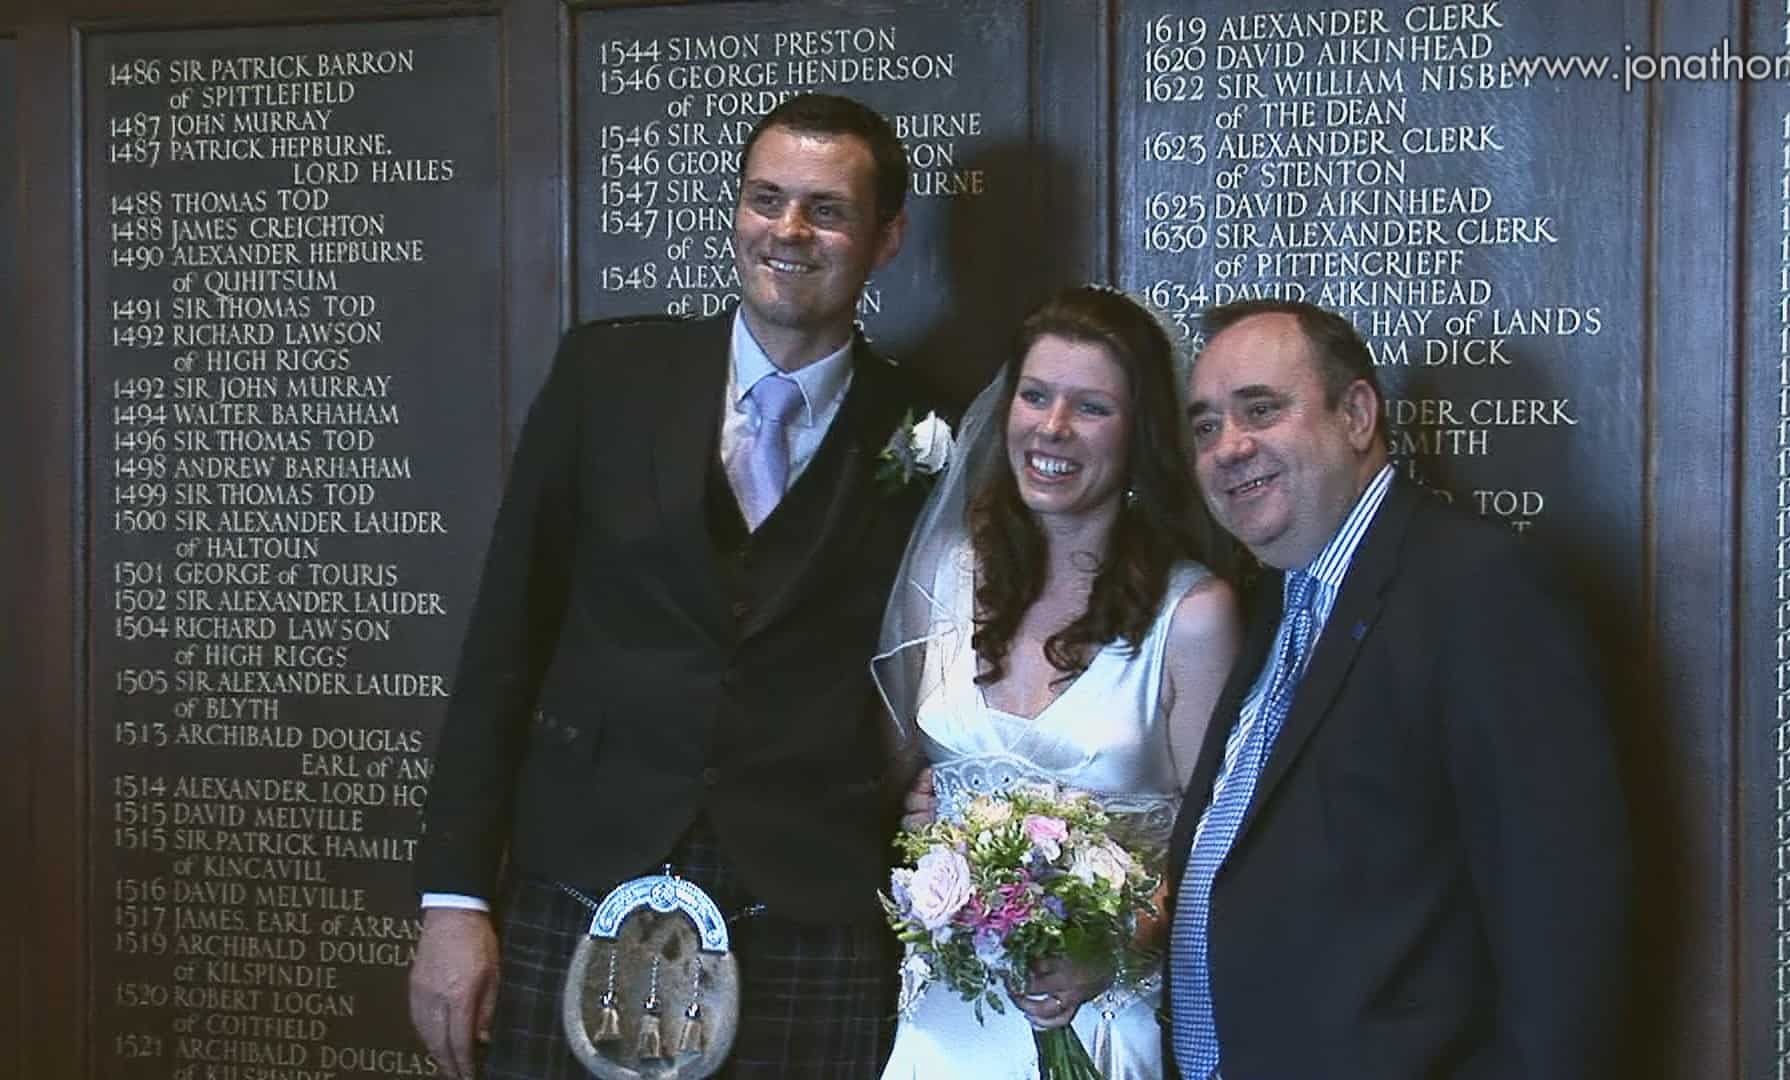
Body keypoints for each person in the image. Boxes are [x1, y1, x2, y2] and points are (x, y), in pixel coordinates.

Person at [407, 92, 938, 1080]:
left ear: (886, 237)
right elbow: (504, 638)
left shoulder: (931, 426)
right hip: (580, 874)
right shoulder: (608, 374)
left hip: (809, 899)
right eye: (765, 198)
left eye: (826, 209)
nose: (787, 230)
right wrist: (455, 897)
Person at [1165, 299, 1630, 1078]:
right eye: (1206, 424)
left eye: (1261, 410)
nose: (1228, 447)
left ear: (1355, 414)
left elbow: (1564, 919)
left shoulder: (1478, 589)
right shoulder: (1277, 598)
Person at [874, 286, 1240, 1079]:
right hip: (946, 1023)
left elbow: (1217, 853)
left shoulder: (1196, 616)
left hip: (1106, 1020)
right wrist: (921, 819)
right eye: (1035, 396)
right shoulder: (941, 576)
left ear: (1139, 434)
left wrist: (1109, 953)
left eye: (1091, 407)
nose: (1052, 428)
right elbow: (895, 779)